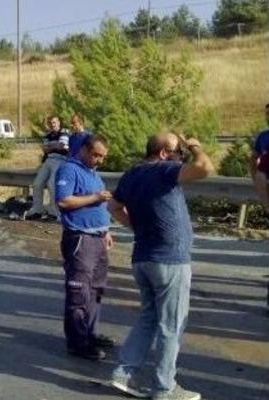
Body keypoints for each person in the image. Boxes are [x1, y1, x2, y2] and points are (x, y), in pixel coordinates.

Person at [108, 133, 214, 400]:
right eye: (178, 152)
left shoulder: (132, 174)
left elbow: (113, 206)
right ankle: (164, 388)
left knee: (148, 318)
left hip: (143, 257)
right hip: (169, 259)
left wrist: (139, 228)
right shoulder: (165, 170)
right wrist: (195, 145)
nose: (182, 157)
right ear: (164, 153)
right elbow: (204, 168)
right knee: (172, 325)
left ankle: (123, 373)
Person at [54, 135, 115, 361]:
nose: (98, 160)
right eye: (95, 155)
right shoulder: (69, 170)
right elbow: (63, 201)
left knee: (96, 290)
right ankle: (78, 342)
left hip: (98, 238)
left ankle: (90, 333)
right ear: (84, 150)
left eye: (102, 157)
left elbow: (101, 206)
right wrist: (95, 197)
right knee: (79, 291)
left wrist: (106, 230)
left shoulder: (94, 174)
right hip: (80, 238)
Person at [26, 115, 70, 221]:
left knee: (51, 185)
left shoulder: (64, 132)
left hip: (60, 160)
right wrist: (55, 145)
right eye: (50, 123)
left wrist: (52, 146)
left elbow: (61, 146)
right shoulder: (48, 135)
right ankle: (37, 210)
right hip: (48, 160)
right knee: (37, 184)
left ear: (59, 123)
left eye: (54, 122)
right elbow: (45, 150)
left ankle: (54, 212)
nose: (52, 125)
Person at [249, 102, 269, 208]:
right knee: (260, 176)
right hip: (265, 176)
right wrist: (255, 178)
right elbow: (253, 159)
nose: (268, 117)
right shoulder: (262, 137)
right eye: (267, 114)